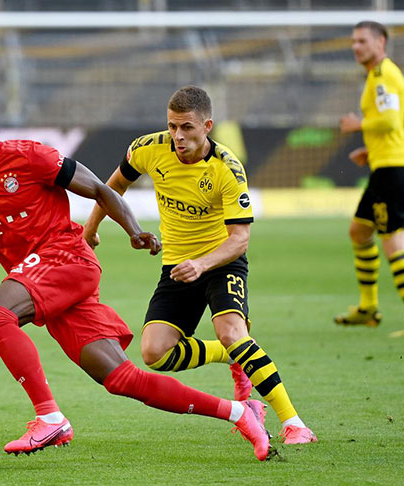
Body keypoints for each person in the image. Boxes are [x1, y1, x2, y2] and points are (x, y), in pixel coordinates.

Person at [0, 92, 273, 461]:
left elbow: (100, 189)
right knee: (122, 380)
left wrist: (133, 230)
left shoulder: (29, 156)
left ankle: (49, 417)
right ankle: (240, 413)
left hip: (64, 258)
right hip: (41, 281)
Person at [83, 86, 317, 445]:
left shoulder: (227, 169)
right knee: (154, 354)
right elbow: (111, 187)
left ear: (207, 125)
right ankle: (231, 357)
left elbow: (240, 239)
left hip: (222, 262)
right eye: (173, 125)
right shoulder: (148, 149)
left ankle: (294, 423)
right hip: (177, 265)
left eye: (187, 127)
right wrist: (92, 228)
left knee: (232, 331)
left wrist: (202, 263)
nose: (178, 135)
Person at [336, 21, 404, 337]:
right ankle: (368, 308)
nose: (356, 47)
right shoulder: (384, 77)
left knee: (394, 243)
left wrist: (359, 125)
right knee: (359, 231)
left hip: (393, 169)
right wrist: (374, 148)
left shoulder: (382, 76)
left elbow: (390, 118)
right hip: (390, 164)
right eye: (353, 41)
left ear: (380, 42)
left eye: (362, 41)